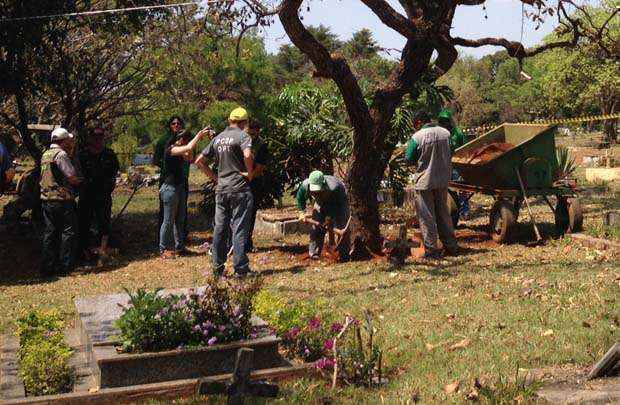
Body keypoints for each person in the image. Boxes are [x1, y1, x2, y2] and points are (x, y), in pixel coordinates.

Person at [195, 107, 255, 278]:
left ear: (229, 121)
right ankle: (240, 268)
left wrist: (216, 178)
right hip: (239, 189)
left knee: (220, 228)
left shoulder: (219, 138)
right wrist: (250, 173)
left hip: (221, 190)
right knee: (239, 228)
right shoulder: (243, 136)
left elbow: (199, 161)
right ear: (244, 122)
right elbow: (248, 154)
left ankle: (217, 268)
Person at [405, 111, 459, 259]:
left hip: (424, 182)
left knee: (427, 216)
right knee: (443, 214)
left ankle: (432, 250)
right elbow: (452, 150)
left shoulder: (417, 137)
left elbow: (408, 158)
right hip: (442, 180)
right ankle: (451, 247)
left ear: (418, 123)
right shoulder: (445, 134)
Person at [158, 126, 210, 259]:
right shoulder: (171, 149)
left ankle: (179, 247)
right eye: (184, 138)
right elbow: (187, 149)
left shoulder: (181, 151)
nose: (186, 141)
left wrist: (195, 141)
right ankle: (164, 248)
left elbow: (190, 156)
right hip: (169, 188)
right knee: (168, 220)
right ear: (178, 139)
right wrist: (198, 136)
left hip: (179, 187)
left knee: (180, 219)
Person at [39, 127, 82, 277]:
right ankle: (65, 265)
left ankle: (47, 266)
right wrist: (80, 181)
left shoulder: (45, 154)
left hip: (46, 198)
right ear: (63, 140)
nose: (70, 142)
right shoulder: (61, 154)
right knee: (68, 231)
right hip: (61, 199)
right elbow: (70, 175)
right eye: (68, 139)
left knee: (50, 232)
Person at [77, 126, 120, 260]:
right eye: (95, 137)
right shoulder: (82, 155)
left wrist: (109, 186)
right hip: (86, 195)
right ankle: (84, 252)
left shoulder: (109, 154)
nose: (98, 139)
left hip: (103, 195)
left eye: (100, 136)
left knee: (104, 223)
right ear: (90, 138)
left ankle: (103, 250)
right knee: (84, 224)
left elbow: (114, 173)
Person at [296, 170, 350, 261]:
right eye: (314, 191)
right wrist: (302, 212)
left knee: (341, 225)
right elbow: (300, 197)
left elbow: (342, 204)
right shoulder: (305, 185)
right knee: (316, 228)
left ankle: (343, 254)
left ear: (324, 184)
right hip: (320, 202)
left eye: (318, 190)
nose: (316, 193)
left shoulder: (335, 187)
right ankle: (314, 254)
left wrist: (333, 219)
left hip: (338, 202)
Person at [154, 116, 191, 247]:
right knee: (167, 216)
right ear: (169, 125)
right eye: (173, 123)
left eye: (178, 123)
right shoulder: (165, 141)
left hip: (182, 180)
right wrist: (168, 167)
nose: (176, 125)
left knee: (181, 215)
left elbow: (190, 157)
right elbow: (156, 160)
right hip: (168, 182)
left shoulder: (184, 141)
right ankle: (164, 245)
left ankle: (180, 244)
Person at [437, 108, 471, 218]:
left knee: (462, 189)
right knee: (447, 189)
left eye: (446, 121)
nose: (444, 124)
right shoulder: (439, 134)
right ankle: (450, 210)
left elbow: (465, 148)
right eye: (442, 122)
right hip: (444, 165)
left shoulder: (458, 133)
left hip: (457, 165)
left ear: (450, 121)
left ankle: (464, 212)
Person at [245, 119, 271, 253]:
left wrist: (249, 176)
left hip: (254, 182)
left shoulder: (262, 146)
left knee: (250, 213)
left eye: (254, 134)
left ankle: (247, 242)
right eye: (249, 132)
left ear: (258, 132)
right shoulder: (240, 141)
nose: (251, 136)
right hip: (239, 181)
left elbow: (260, 168)